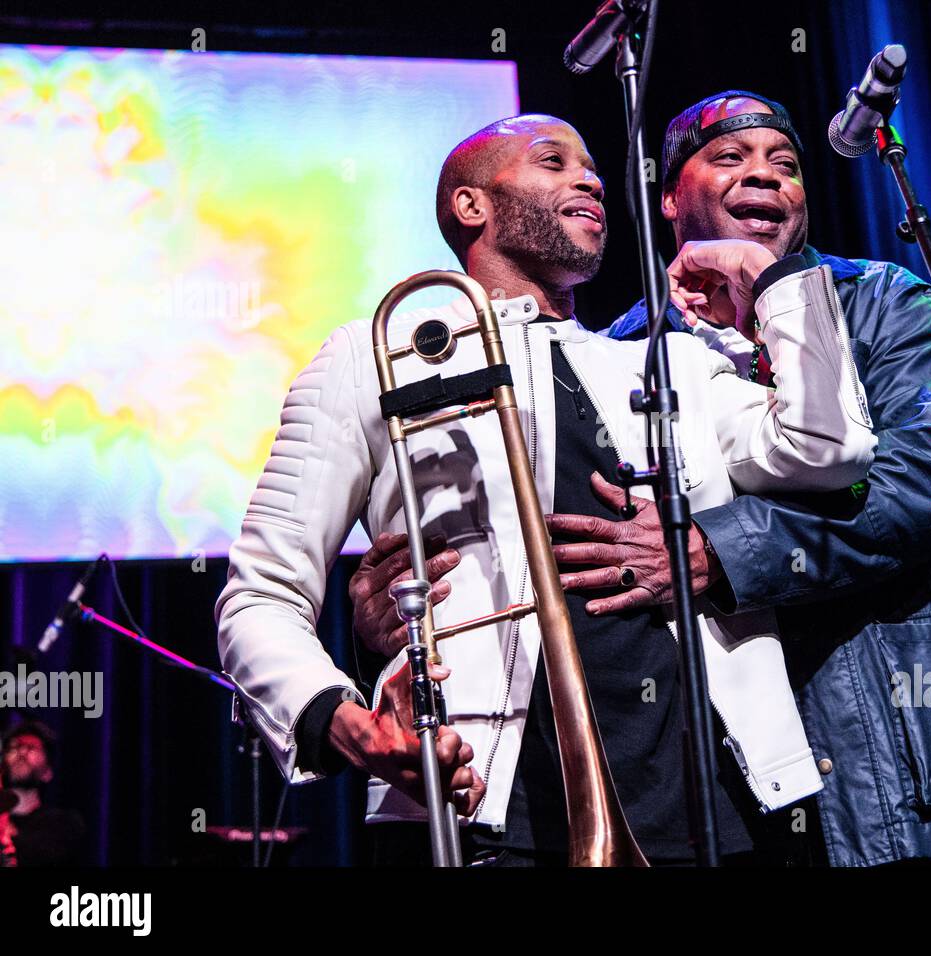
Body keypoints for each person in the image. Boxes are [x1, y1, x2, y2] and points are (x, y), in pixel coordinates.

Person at [218, 113, 876, 866]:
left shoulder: (669, 366)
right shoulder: (373, 357)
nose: (590, 179)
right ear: (473, 207)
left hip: (716, 810)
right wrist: (338, 718)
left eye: (592, 167)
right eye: (553, 162)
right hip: (492, 808)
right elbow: (260, 594)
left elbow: (831, 447)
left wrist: (771, 279)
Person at [583, 91, 931, 865]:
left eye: (785, 165)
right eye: (730, 158)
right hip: (720, 781)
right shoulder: (617, 352)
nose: (765, 176)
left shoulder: (888, 303)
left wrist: (718, 555)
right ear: (668, 196)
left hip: (901, 761)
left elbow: (915, 494)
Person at [1, 719, 86, 866]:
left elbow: (41, 855)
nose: (21, 752)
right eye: (14, 747)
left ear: (47, 772)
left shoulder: (63, 824)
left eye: (31, 748)